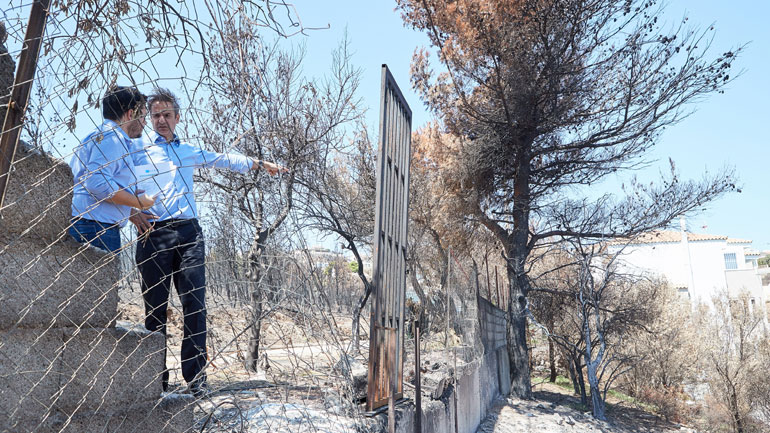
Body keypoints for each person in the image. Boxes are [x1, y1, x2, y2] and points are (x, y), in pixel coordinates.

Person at [131, 87, 283, 396]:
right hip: (153, 233)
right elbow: (115, 182)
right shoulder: (137, 150)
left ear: (177, 117)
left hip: (189, 234)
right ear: (148, 118)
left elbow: (222, 159)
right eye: (156, 115)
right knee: (155, 310)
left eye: (167, 115)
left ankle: (196, 380)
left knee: (195, 305)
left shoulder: (188, 150)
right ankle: (154, 382)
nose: (161, 120)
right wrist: (131, 211)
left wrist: (257, 163)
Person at [69, 86, 155, 252]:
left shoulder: (99, 135)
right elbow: (97, 184)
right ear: (131, 114)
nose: (145, 123)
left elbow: (95, 183)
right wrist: (138, 202)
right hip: (97, 229)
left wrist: (130, 210)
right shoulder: (113, 139)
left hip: (89, 222)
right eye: (143, 117)